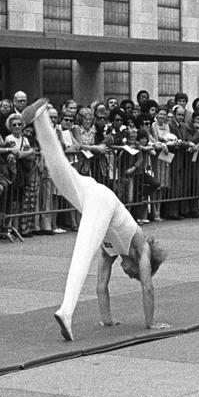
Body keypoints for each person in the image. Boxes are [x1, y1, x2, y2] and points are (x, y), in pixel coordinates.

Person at [18, 99, 168, 342]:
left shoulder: (111, 252)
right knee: (82, 253)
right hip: (103, 201)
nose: (129, 275)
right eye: (132, 275)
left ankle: (41, 119)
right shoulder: (143, 248)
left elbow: (101, 286)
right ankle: (66, 311)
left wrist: (107, 320)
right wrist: (151, 324)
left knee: (60, 172)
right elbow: (148, 288)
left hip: (91, 194)